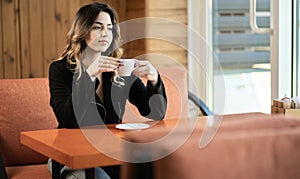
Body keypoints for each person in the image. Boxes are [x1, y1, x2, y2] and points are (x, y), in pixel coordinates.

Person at [48, 2, 167, 179]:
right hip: (72, 154)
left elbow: (155, 112)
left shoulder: (120, 67)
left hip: (111, 152)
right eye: (98, 27)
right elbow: (68, 119)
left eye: (109, 28)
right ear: (83, 31)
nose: (105, 33)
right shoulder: (60, 69)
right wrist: (89, 77)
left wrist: (154, 78)